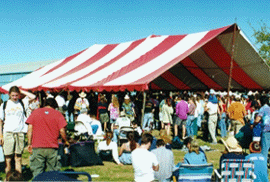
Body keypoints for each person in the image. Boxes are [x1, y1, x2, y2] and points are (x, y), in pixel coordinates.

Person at [26, 98, 69, 178]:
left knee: (37, 171)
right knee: (53, 172)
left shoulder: (35, 112)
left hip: (37, 146)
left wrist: (29, 143)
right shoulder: (58, 114)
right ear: (54, 105)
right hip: (52, 146)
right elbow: (62, 131)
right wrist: (66, 141)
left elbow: (29, 129)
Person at [0, 86, 35, 174]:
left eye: (16, 95)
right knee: (8, 158)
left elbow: (33, 97)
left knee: (18, 157)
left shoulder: (23, 102)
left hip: (20, 133)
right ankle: (8, 178)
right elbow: (0, 121)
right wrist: (1, 135)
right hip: (8, 132)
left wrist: (22, 91)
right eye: (13, 95)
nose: (15, 97)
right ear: (9, 95)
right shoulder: (4, 105)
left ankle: (18, 178)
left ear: (19, 95)